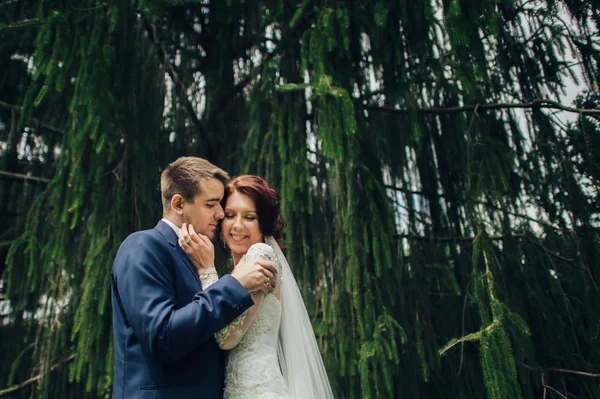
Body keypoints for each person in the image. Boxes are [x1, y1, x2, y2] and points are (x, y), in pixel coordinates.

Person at [111, 157, 279, 399]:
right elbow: (162, 337)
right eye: (212, 204)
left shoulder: (197, 257)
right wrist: (235, 285)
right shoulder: (143, 246)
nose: (221, 214)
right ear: (179, 204)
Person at [179, 175, 334, 399]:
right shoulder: (239, 270)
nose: (238, 225)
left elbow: (226, 338)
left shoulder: (260, 256)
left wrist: (206, 271)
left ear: (263, 223)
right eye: (230, 215)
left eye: (249, 217)